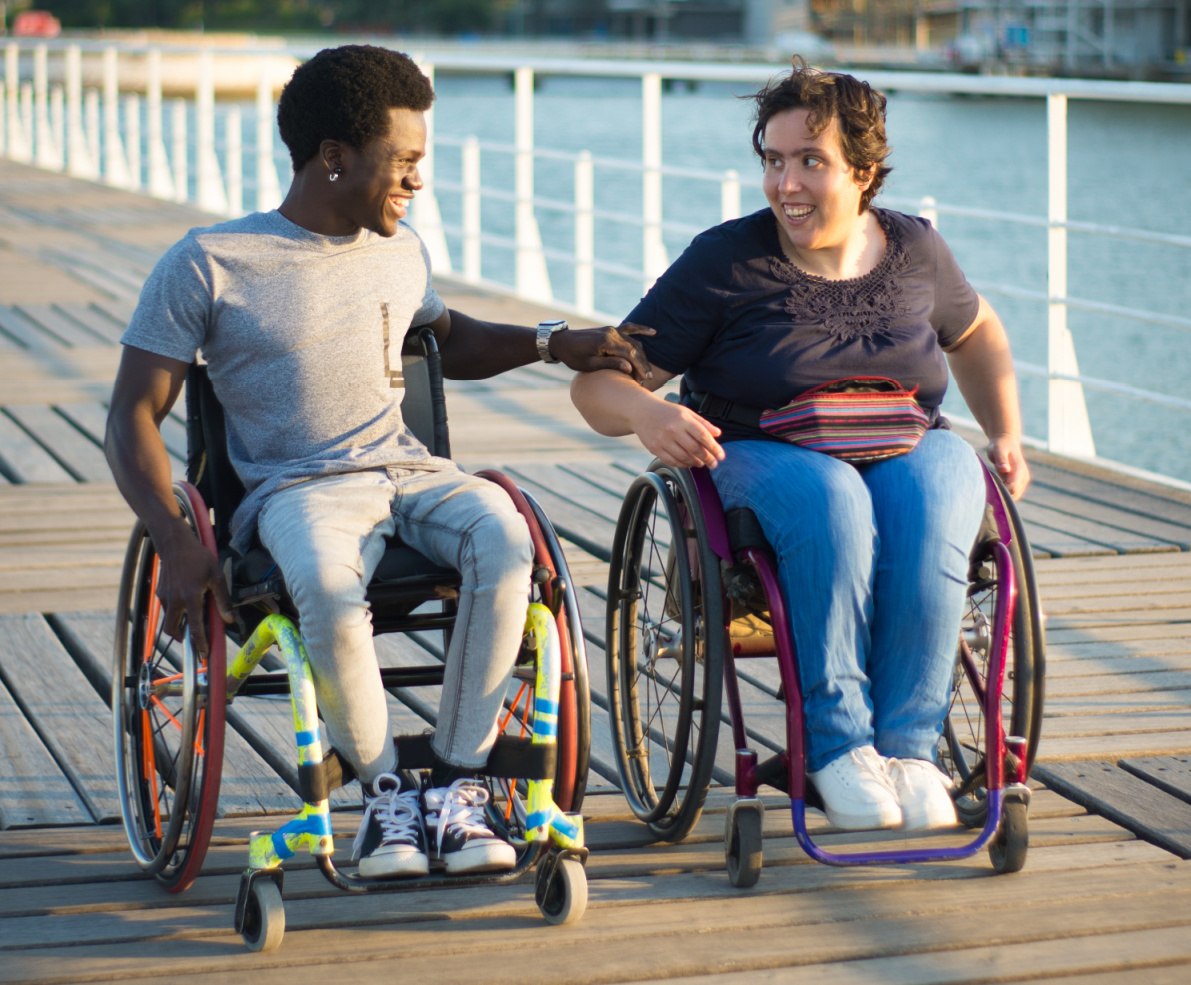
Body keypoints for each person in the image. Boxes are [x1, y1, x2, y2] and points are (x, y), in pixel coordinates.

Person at [106, 45, 650, 880]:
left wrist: (555, 342)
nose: (416, 180)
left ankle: (455, 784)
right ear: (334, 157)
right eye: (403, 161)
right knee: (325, 587)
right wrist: (178, 540)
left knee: (507, 540)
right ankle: (386, 792)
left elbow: (449, 336)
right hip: (298, 488)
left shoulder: (398, 248)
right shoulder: (207, 263)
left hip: (412, 473)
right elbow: (132, 414)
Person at [571, 61, 1030, 833]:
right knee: (833, 498)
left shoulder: (917, 250)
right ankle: (838, 746)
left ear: (864, 171)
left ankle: (911, 750)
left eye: (809, 162)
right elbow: (598, 383)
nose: (785, 183)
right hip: (759, 453)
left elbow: (977, 330)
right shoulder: (725, 261)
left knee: (947, 480)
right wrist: (646, 413)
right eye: (773, 161)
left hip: (903, 439)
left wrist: (1007, 428)